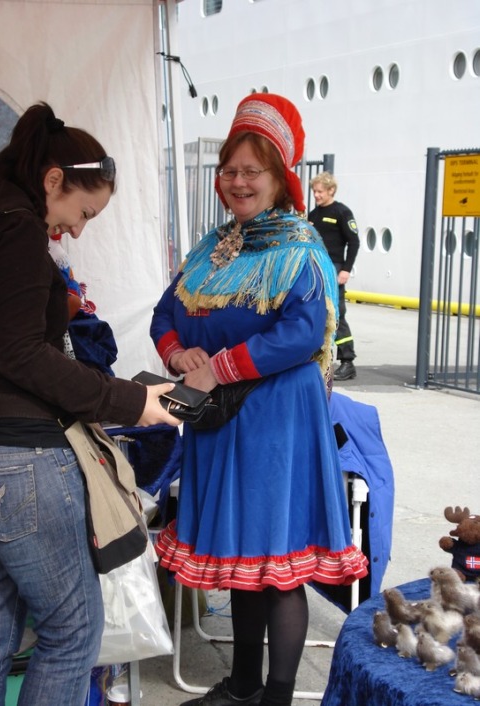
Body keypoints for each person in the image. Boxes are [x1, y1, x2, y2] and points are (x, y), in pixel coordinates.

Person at [0, 102, 180, 706]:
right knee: (72, 629)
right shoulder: (17, 232)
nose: (79, 229)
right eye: (83, 212)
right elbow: (22, 354)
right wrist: (130, 400)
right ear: (53, 179)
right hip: (19, 457)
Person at [150, 94, 368, 706]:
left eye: (253, 170)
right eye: (231, 169)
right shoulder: (214, 248)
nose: (238, 181)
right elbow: (167, 312)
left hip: (276, 420)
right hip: (222, 421)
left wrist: (219, 365)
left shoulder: (301, 247)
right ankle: (243, 686)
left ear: (281, 178)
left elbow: (302, 334)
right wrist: (178, 355)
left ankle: (274, 696)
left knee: (277, 563)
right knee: (242, 558)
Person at [308, 172, 360, 381]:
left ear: (331, 190)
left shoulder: (341, 212)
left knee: (337, 313)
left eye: (320, 191)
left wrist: (346, 269)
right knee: (317, 312)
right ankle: (321, 359)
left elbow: (354, 242)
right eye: (314, 191)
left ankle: (347, 361)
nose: (316, 195)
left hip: (334, 268)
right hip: (316, 268)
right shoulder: (313, 215)